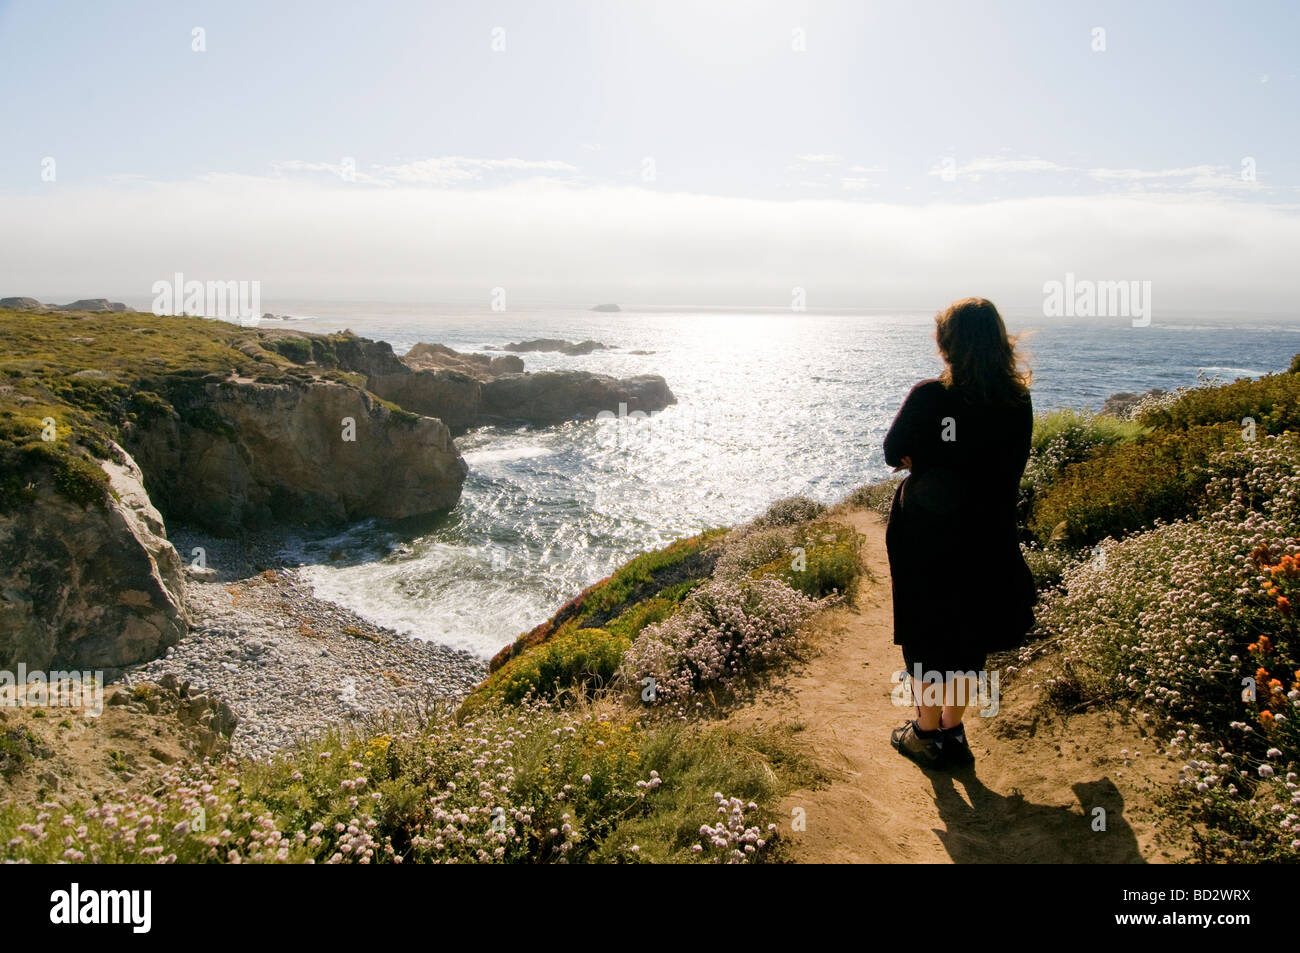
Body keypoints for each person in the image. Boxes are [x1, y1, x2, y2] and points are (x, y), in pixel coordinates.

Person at [883, 297, 1036, 769]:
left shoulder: (931, 396)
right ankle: (954, 731)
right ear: (998, 341)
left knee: (927, 631)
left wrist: (924, 457)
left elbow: (894, 451)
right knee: (969, 634)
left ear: (947, 342)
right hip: (987, 534)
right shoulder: (1017, 399)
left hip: (926, 532)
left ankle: (925, 734)